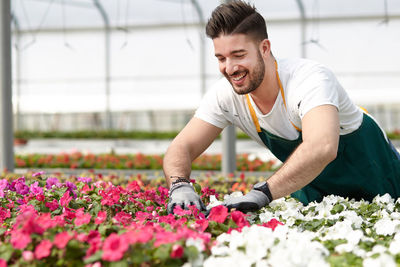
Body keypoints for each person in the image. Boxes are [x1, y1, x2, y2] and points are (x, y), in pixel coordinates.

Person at [163, 1, 400, 214]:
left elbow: (323, 147)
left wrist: (263, 192)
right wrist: (179, 185)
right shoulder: (225, 95)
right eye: (221, 58)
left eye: (238, 55)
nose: (230, 67)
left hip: (382, 181)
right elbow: (181, 146)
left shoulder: (309, 79)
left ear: (264, 48)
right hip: (319, 196)